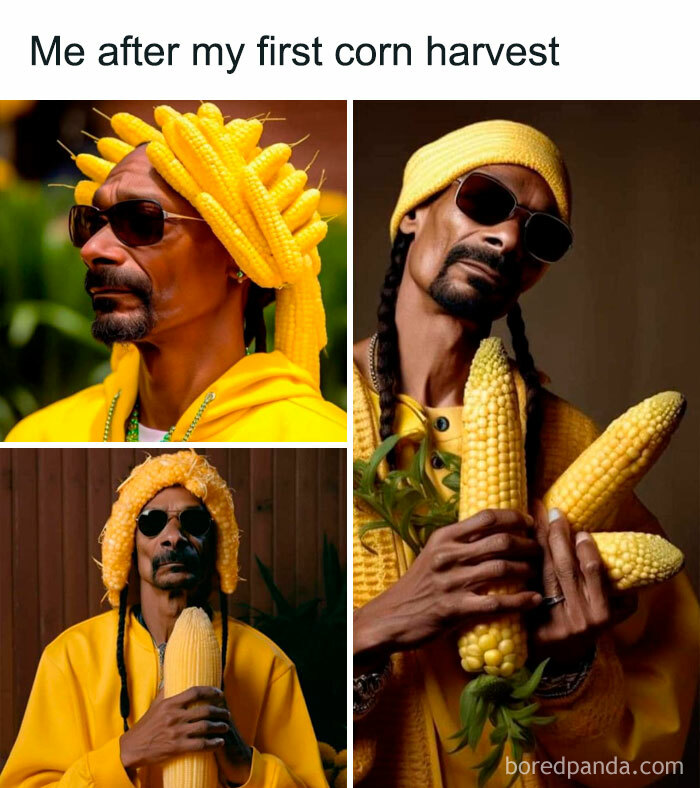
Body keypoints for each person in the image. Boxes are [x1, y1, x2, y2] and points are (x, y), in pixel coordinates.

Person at [352, 120, 700, 787]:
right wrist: (368, 629)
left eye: (543, 235)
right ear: (412, 215)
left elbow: (651, 741)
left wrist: (570, 669)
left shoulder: (575, 443)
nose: (508, 237)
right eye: (484, 201)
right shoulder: (305, 414)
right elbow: (260, 690)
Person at [5, 102, 345, 442]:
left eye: (140, 221)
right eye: (91, 223)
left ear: (240, 257)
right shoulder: (40, 437)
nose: (93, 249)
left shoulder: (314, 439)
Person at [0, 451, 328, 787]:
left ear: (217, 546)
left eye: (195, 523)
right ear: (130, 546)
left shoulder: (268, 664)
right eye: (153, 523)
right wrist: (127, 752)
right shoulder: (70, 658)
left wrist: (244, 765)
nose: (174, 536)